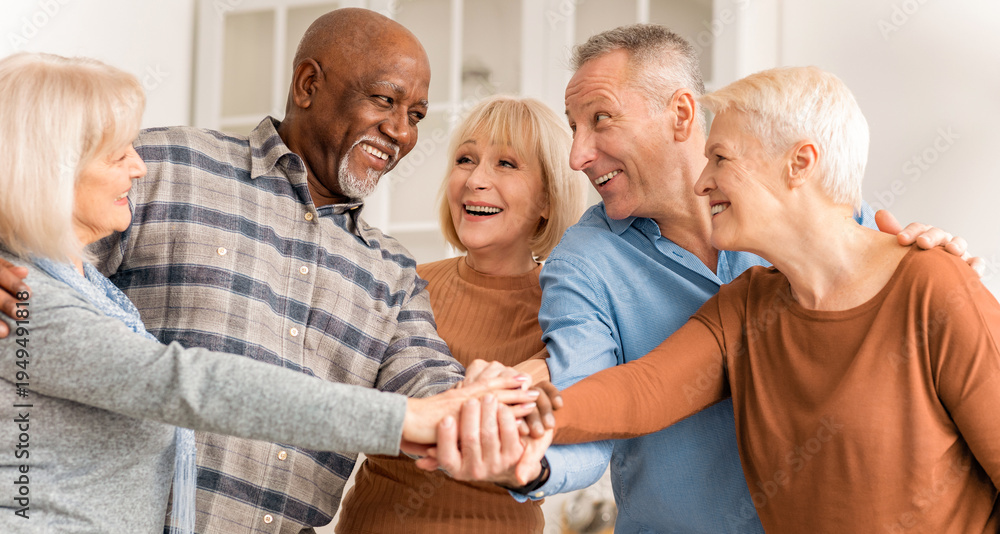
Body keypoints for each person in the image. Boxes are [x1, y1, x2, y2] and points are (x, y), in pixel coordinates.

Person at [0, 8, 552, 534]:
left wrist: (493, 415)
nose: (401, 132)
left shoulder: (393, 272)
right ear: (308, 85)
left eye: (416, 116)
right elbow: (37, 233)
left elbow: (431, 386)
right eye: (385, 100)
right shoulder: (164, 167)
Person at [424, 24, 983, 533]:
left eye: (601, 119)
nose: (577, 156)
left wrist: (935, 270)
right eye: (574, 127)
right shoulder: (720, 298)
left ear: (681, 115)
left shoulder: (909, 268)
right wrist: (523, 428)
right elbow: (636, 392)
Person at [549, 65, 1000, 533]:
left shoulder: (932, 286)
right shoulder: (746, 307)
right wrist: (523, 413)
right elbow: (640, 392)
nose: (702, 183)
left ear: (799, 163)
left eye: (720, 158)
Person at [335, 96, 586, 533]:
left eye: (506, 163)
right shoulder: (406, 283)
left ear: (547, 199)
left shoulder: (567, 310)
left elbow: (563, 444)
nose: (475, 180)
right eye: (465, 159)